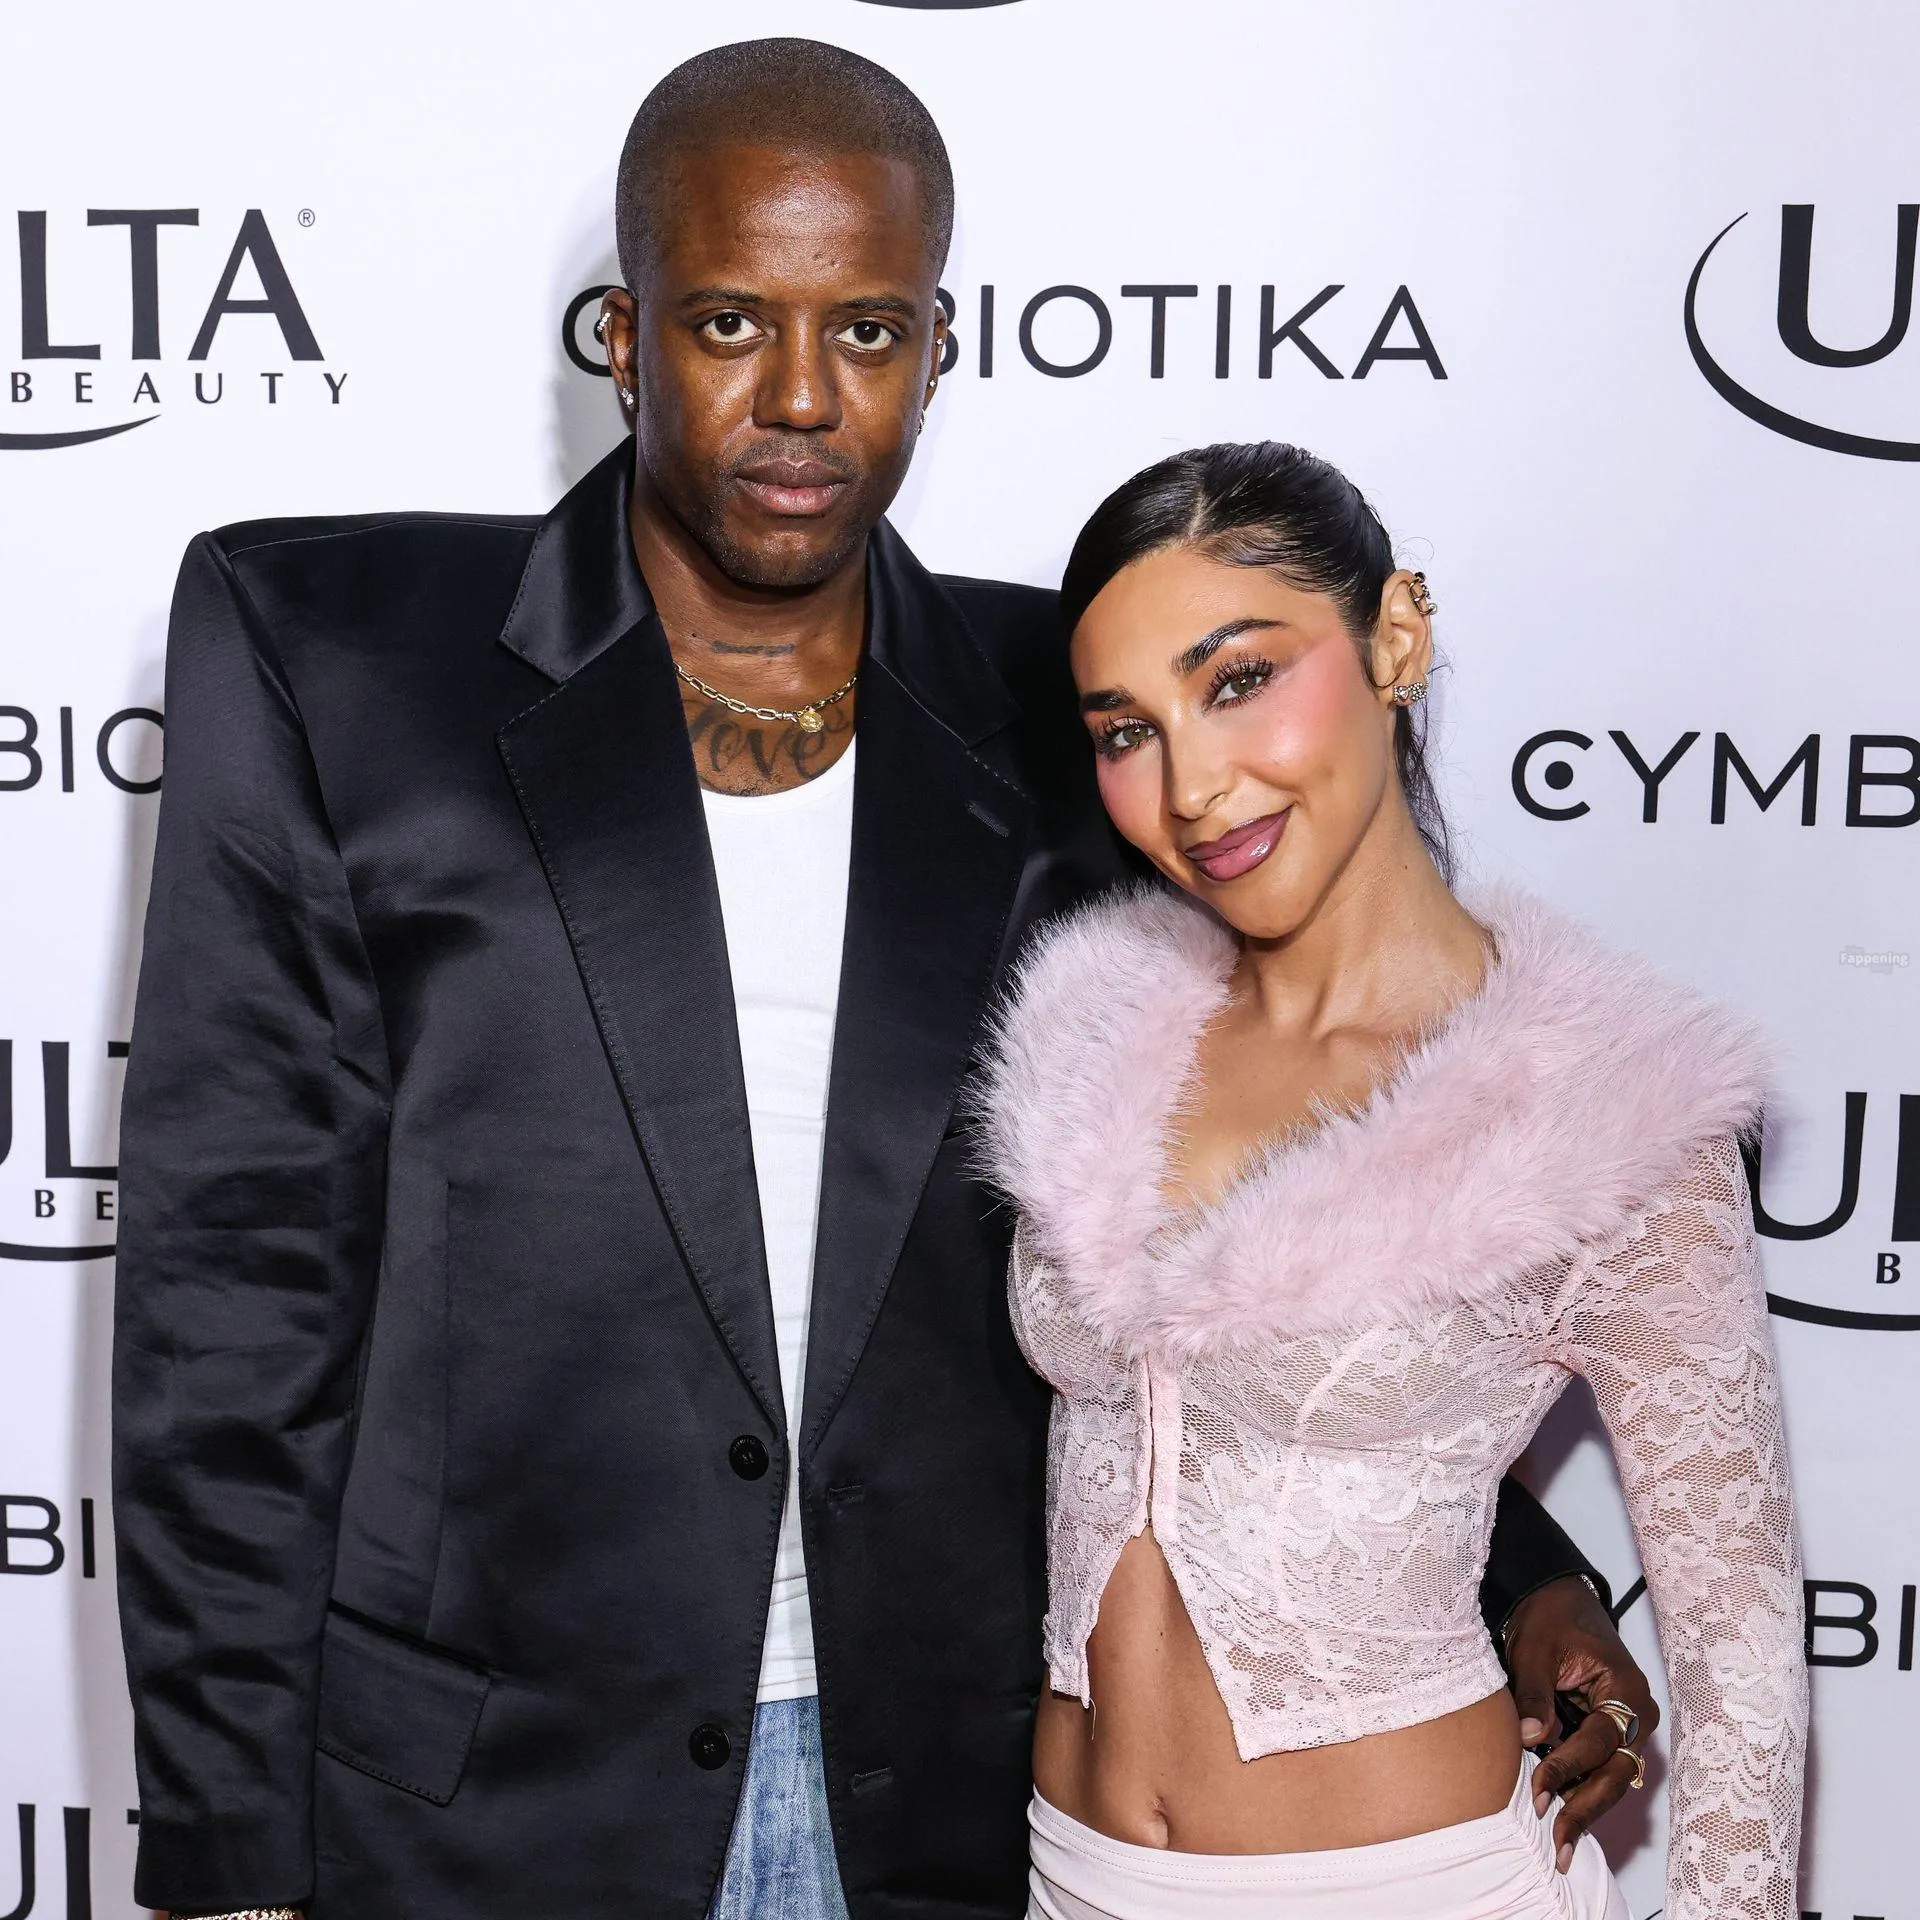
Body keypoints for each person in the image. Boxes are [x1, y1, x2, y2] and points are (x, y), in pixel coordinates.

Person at [114, 41, 1654, 1920]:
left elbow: (1261, 1227)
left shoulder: (1070, 719)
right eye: (728, 323)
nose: (798, 397)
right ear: (623, 337)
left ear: (937, 346)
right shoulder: (334, 659)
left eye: (865, 331)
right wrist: (227, 1859)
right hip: (482, 1805)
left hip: (956, 1793)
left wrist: (1519, 1574)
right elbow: (235, 1294)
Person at [978, 441, 1808, 1920]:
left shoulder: (1608, 1109)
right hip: (1074, 1874)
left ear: (1395, 640)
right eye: (1127, 730)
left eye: (1240, 679)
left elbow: (1742, 1679)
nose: (1193, 785)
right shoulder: (1084, 1041)